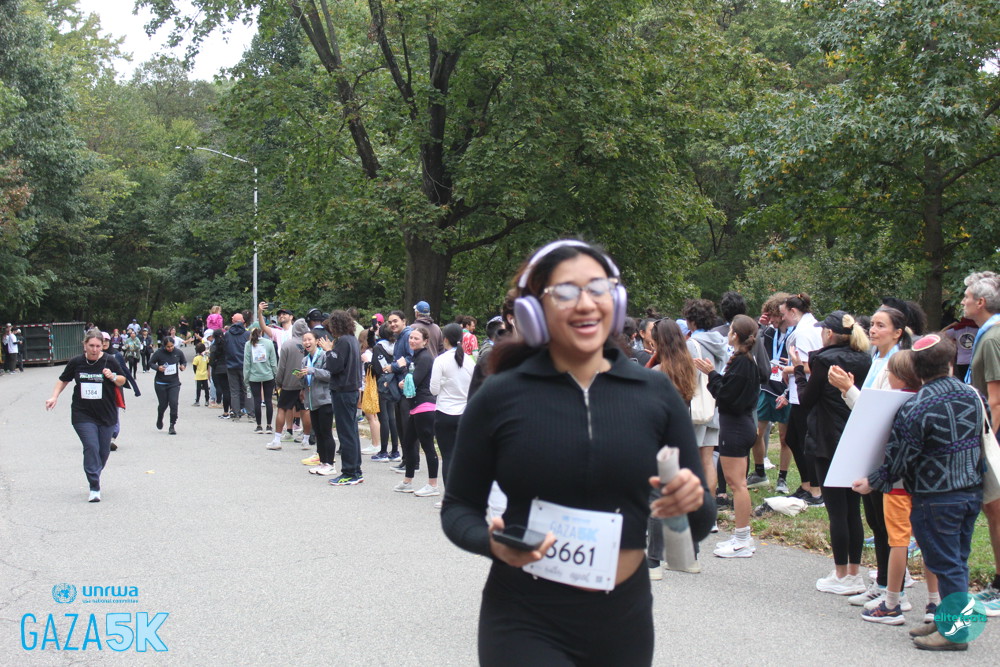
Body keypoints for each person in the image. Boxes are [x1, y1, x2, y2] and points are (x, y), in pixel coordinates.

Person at [441, 240, 714, 666]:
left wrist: (690, 503)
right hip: (523, 616)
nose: (586, 303)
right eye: (566, 292)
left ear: (616, 302)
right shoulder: (500, 395)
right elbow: (458, 508)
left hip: (624, 620)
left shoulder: (656, 393)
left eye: (598, 289)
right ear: (534, 309)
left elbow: (697, 524)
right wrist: (491, 543)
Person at [854, 334, 983, 650]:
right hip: (970, 491)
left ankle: (955, 633)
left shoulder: (917, 406)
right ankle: (947, 620)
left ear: (916, 367)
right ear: (950, 362)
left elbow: (900, 459)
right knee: (958, 560)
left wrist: (873, 480)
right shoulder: (971, 395)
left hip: (936, 496)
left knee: (946, 563)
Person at [827, 306, 912, 608]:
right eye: (872, 324)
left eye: (881, 325)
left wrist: (848, 389)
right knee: (876, 520)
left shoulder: (898, 363)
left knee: (888, 524)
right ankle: (882, 583)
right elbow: (867, 407)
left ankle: (894, 590)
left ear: (898, 333)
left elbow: (880, 411)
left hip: (888, 452)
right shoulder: (877, 358)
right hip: (874, 449)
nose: (873, 330)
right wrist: (848, 390)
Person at [791, 310, 871, 594]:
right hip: (855, 438)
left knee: (837, 511)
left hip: (827, 439)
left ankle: (841, 574)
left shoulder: (824, 360)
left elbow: (806, 399)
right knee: (853, 510)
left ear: (829, 333)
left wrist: (799, 371)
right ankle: (854, 573)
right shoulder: (865, 358)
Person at [695, 314, 763, 558]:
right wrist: (715, 375)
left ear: (735, 335)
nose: (727, 334)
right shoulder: (743, 360)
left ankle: (742, 539)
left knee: (737, 484)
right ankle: (741, 535)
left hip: (735, 427)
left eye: (730, 330)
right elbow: (731, 390)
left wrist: (711, 375)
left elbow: (727, 397)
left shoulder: (743, 362)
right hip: (739, 424)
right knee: (738, 483)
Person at [45, 329, 128, 502]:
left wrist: (113, 376)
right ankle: (94, 486)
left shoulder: (110, 360)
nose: (94, 349)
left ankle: (95, 472)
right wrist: (54, 396)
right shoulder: (77, 362)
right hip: (82, 414)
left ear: (102, 346)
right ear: (84, 345)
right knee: (91, 446)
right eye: (91, 345)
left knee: (103, 452)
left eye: (98, 346)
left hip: (106, 414)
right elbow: (63, 379)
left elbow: (123, 380)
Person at [959, 271, 1000, 616]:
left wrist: (988, 449)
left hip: (993, 436)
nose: (962, 301)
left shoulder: (992, 338)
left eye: (967, 297)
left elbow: (996, 401)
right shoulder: (988, 334)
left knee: (996, 511)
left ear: (981, 302)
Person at [779, 293, 824, 504]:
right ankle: (806, 484)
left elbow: (808, 366)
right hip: (800, 393)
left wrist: (787, 369)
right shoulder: (810, 327)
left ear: (793, 311)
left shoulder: (805, 332)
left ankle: (816, 490)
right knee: (792, 439)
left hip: (804, 393)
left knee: (805, 442)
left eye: (783, 314)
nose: (782, 318)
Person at [682, 298, 728, 505]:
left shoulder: (691, 345)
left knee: (692, 460)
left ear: (692, 321)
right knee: (708, 460)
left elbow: (688, 378)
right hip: (715, 405)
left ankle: (695, 507)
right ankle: (709, 511)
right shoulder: (721, 342)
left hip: (697, 408)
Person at [393, 327, 439, 497]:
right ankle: (407, 481)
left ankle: (433, 485)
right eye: (411, 338)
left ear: (425, 341)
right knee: (408, 442)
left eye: (416, 338)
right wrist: (405, 379)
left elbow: (415, 381)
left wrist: (403, 370)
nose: (412, 341)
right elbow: (411, 381)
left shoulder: (425, 357)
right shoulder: (416, 356)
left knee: (427, 446)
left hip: (425, 406)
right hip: (416, 407)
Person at [430, 323, 475, 498]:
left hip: (445, 412)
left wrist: (444, 383)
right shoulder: (469, 361)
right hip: (464, 413)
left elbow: (433, 390)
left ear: (445, 339)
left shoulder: (441, 360)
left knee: (448, 456)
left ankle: (449, 497)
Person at [321, 311, 364, 486]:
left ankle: (349, 472)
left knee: (346, 433)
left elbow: (335, 366)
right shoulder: (353, 340)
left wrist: (328, 351)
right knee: (352, 431)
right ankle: (356, 470)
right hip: (352, 389)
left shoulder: (342, 342)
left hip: (343, 390)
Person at [300, 331, 338, 476]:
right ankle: (322, 462)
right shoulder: (305, 360)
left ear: (316, 341)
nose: (307, 342)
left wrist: (313, 371)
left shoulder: (324, 356)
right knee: (318, 433)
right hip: (312, 401)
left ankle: (330, 464)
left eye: (309, 339)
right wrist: (300, 376)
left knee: (326, 432)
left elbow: (329, 375)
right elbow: (305, 382)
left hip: (325, 399)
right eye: (304, 340)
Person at [272, 318, 311, 450]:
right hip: (304, 383)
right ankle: (306, 440)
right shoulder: (309, 345)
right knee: (305, 410)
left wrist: (279, 382)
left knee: (282, 408)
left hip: (288, 383)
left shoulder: (287, 345)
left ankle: (277, 439)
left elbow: (281, 367)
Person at [370, 324, 400, 462]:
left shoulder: (378, 347)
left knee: (384, 418)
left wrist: (368, 365)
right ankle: (395, 450)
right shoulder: (396, 346)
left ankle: (383, 451)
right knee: (392, 417)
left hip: (382, 383)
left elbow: (377, 368)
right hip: (393, 381)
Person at [243, 325, 278, 435]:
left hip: (254, 376)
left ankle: (259, 426)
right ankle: (269, 426)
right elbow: (273, 361)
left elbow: (247, 364)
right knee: (268, 400)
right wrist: (276, 375)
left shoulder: (248, 344)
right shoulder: (269, 343)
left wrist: (246, 379)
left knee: (257, 400)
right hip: (268, 375)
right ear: (262, 331)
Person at [148, 336, 187, 435]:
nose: (170, 348)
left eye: (172, 346)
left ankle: (172, 425)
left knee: (174, 404)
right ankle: (160, 417)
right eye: (168, 347)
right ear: (164, 346)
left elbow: (184, 361)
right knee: (163, 404)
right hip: (161, 383)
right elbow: (150, 363)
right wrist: (158, 367)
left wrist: (183, 366)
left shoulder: (178, 352)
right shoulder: (159, 353)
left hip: (174, 383)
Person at [225, 313, 253, 421]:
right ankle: (250, 413)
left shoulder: (227, 334)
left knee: (234, 391)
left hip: (231, 365)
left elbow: (225, 348)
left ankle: (236, 413)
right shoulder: (247, 334)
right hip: (244, 366)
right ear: (243, 321)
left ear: (233, 321)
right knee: (247, 390)